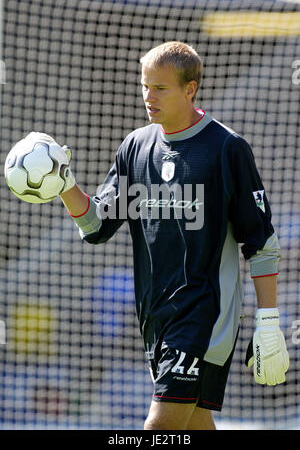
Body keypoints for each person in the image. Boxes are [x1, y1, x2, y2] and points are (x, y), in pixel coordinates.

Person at [57, 41, 289, 430]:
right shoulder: (135, 146)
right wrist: (64, 184)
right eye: (145, 86)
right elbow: (98, 225)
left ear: (190, 88)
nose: (149, 97)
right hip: (154, 313)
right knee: (196, 423)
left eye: (160, 88)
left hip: (203, 312)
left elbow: (261, 244)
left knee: (160, 427)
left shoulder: (226, 149)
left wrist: (268, 321)